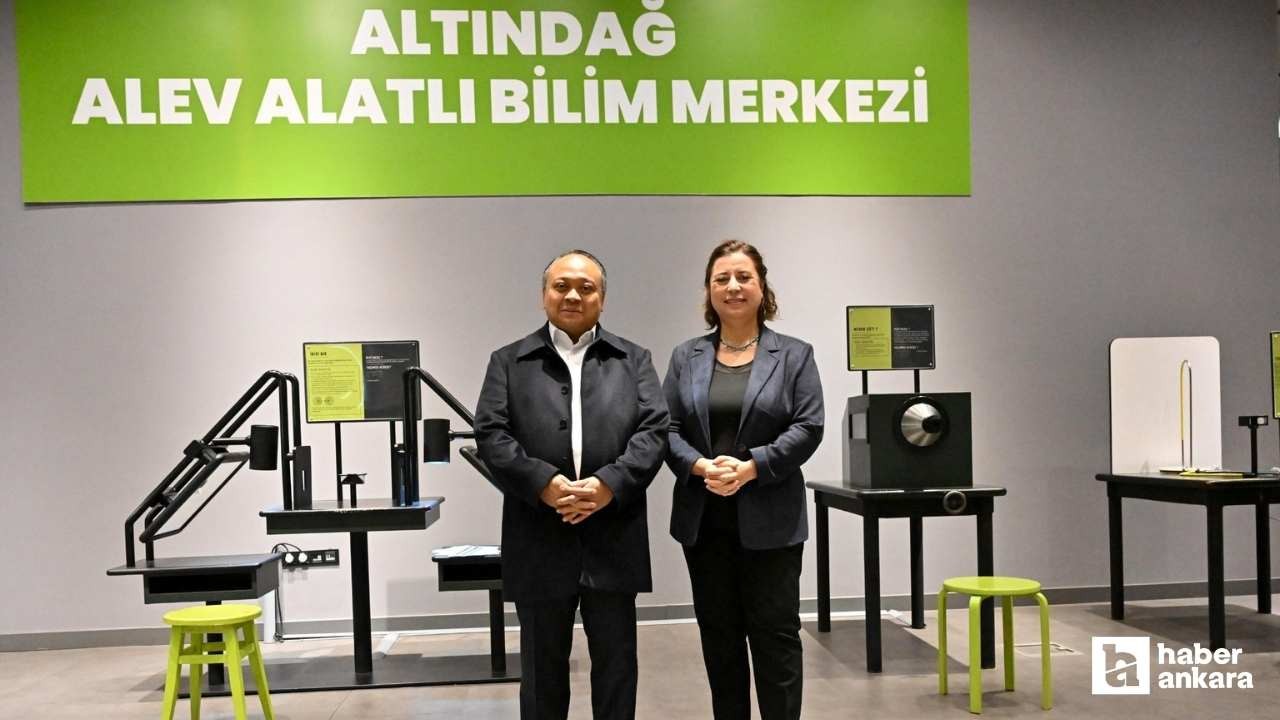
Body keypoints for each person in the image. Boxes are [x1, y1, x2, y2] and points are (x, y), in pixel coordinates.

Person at [475, 249, 669, 720]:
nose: (573, 295)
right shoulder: (509, 361)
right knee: (541, 675)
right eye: (561, 285)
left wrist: (608, 485)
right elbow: (491, 434)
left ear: (603, 298)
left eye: (586, 287)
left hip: (613, 537)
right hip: (538, 537)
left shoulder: (634, 359)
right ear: (544, 294)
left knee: (617, 669)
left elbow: (654, 431)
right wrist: (543, 483)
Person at [663, 240, 824, 720]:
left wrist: (752, 466)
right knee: (720, 639)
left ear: (761, 286)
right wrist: (701, 466)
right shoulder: (686, 356)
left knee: (776, 637)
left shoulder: (794, 355)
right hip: (704, 521)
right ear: (709, 291)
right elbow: (665, 429)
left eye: (743, 277)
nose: (733, 286)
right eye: (722, 279)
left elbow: (808, 426)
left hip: (772, 522)